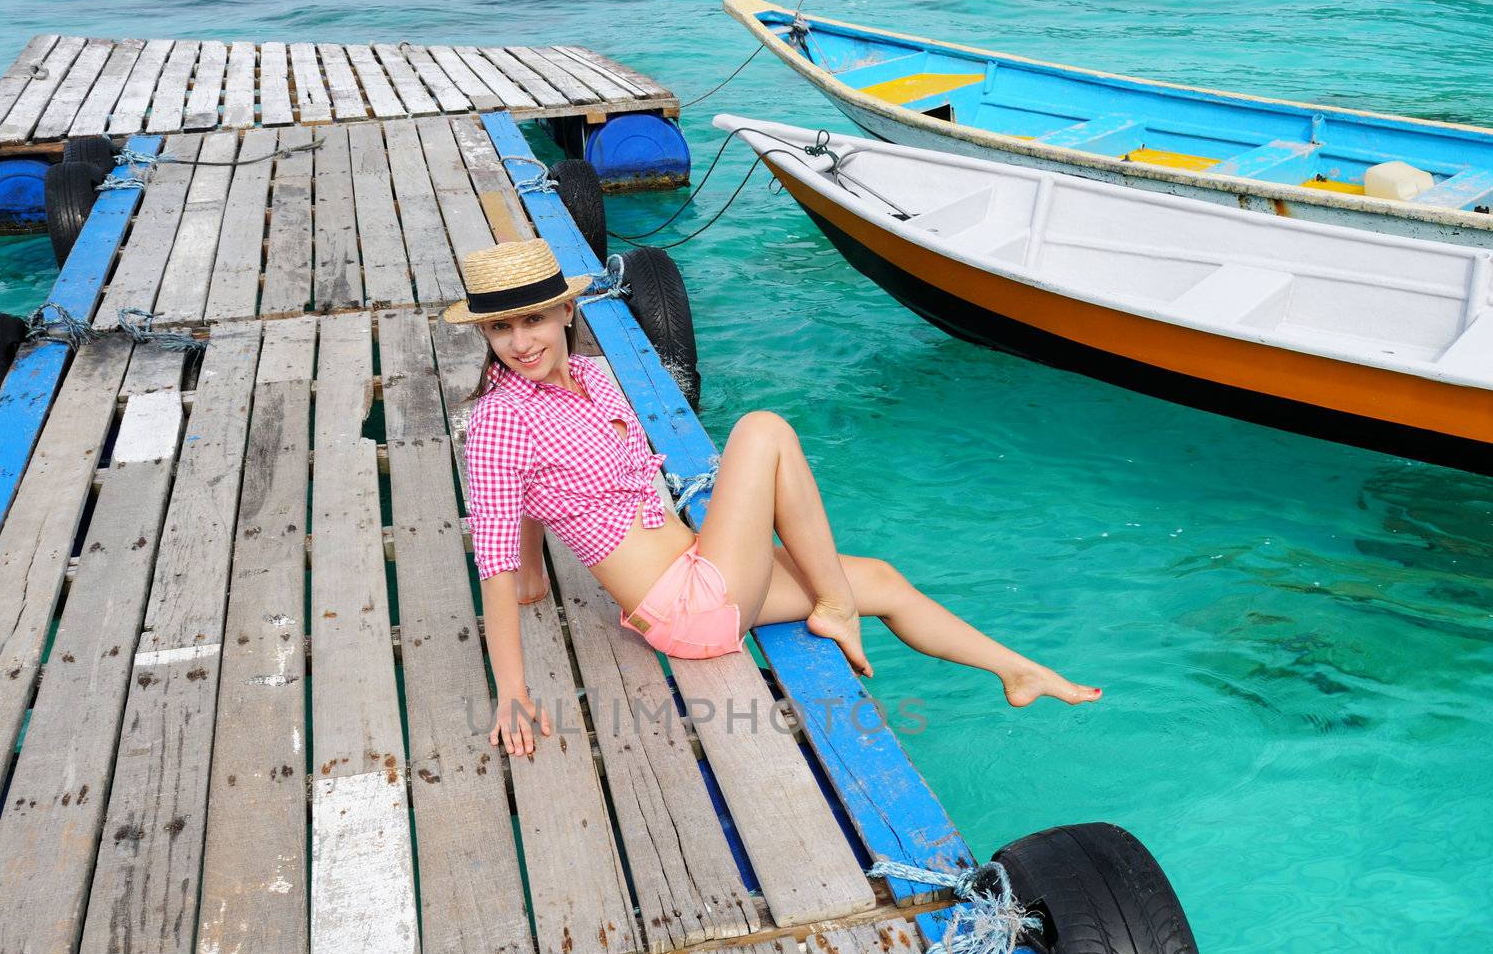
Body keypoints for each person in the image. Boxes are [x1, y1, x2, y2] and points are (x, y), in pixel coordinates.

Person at [445, 239, 1102, 760]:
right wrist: (512, 693)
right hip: (688, 608)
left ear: (566, 311)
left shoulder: (590, 375)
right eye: (501, 329)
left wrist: (538, 573)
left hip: (702, 570)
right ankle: (836, 609)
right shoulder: (501, 419)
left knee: (884, 579)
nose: (521, 341)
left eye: (533, 318)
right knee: (763, 432)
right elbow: (495, 564)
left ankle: (1019, 672)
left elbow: (528, 501)